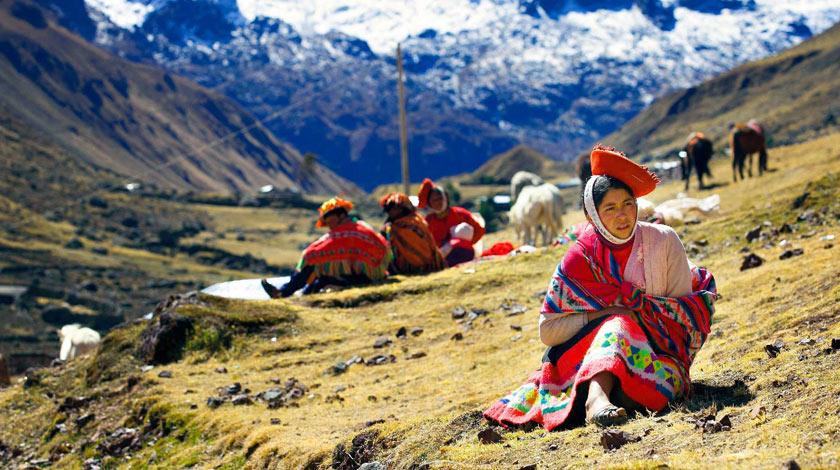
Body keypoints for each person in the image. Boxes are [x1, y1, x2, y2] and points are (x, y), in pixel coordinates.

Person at [484, 144, 718, 430]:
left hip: (661, 361)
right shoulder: (580, 258)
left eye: (628, 204)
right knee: (617, 322)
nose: (623, 216)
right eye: (610, 208)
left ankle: (606, 395)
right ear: (592, 215)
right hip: (584, 361)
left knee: (629, 348)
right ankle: (596, 401)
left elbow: (681, 318)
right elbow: (548, 330)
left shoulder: (664, 241)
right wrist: (608, 315)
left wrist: (640, 322)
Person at [261, 197, 391, 298]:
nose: (329, 226)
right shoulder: (358, 227)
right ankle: (288, 293)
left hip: (365, 277)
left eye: (330, 221)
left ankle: (284, 292)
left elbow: (312, 254)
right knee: (319, 280)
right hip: (369, 273)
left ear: (341, 216)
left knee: (313, 262)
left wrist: (309, 257)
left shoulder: (348, 233)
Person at [417, 178, 485, 267]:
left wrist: (463, 242)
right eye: (434, 200)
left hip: (464, 253)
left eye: (440, 198)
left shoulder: (460, 214)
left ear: (446, 198)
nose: (438, 202)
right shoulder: (428, 222)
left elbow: (479, 230)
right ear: (429, 203)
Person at [379, 192, 446, 275]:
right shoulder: (389, 228)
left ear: (403, 208)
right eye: (389, 209)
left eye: (394, 208)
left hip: (426, 265)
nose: (391, 212)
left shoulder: (415, 223)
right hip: (403, 267)